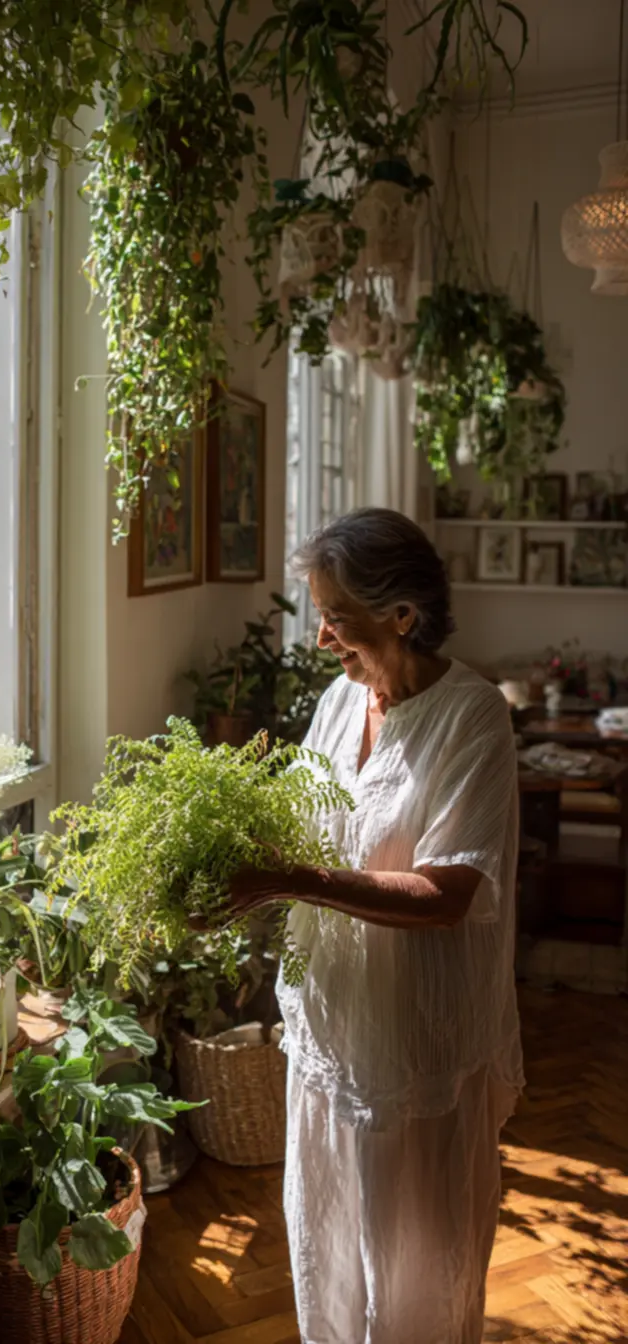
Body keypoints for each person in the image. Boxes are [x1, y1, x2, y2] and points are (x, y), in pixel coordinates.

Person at [225, 508, 524, 1344]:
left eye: (337, 619)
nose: (322, 640)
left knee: (416, 1276)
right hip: (331, 1032)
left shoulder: (474, 718)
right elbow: (301, 826)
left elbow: (449, 895)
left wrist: (288, 878)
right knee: (330, 1256)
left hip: (415, 1050)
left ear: (402, 616)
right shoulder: (336, 700)